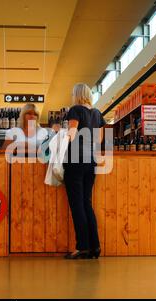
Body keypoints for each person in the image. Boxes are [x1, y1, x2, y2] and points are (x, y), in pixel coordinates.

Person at [63, 83, 105, 259]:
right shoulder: (97, 114)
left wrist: (60, 138)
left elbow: (71, 134)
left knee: (77, 205)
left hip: (75, 161)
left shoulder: (75, 110)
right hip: (90, 162)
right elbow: (100, 139)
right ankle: (95, 247)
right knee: (86, 203)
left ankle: (83, 247)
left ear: (76, 95)